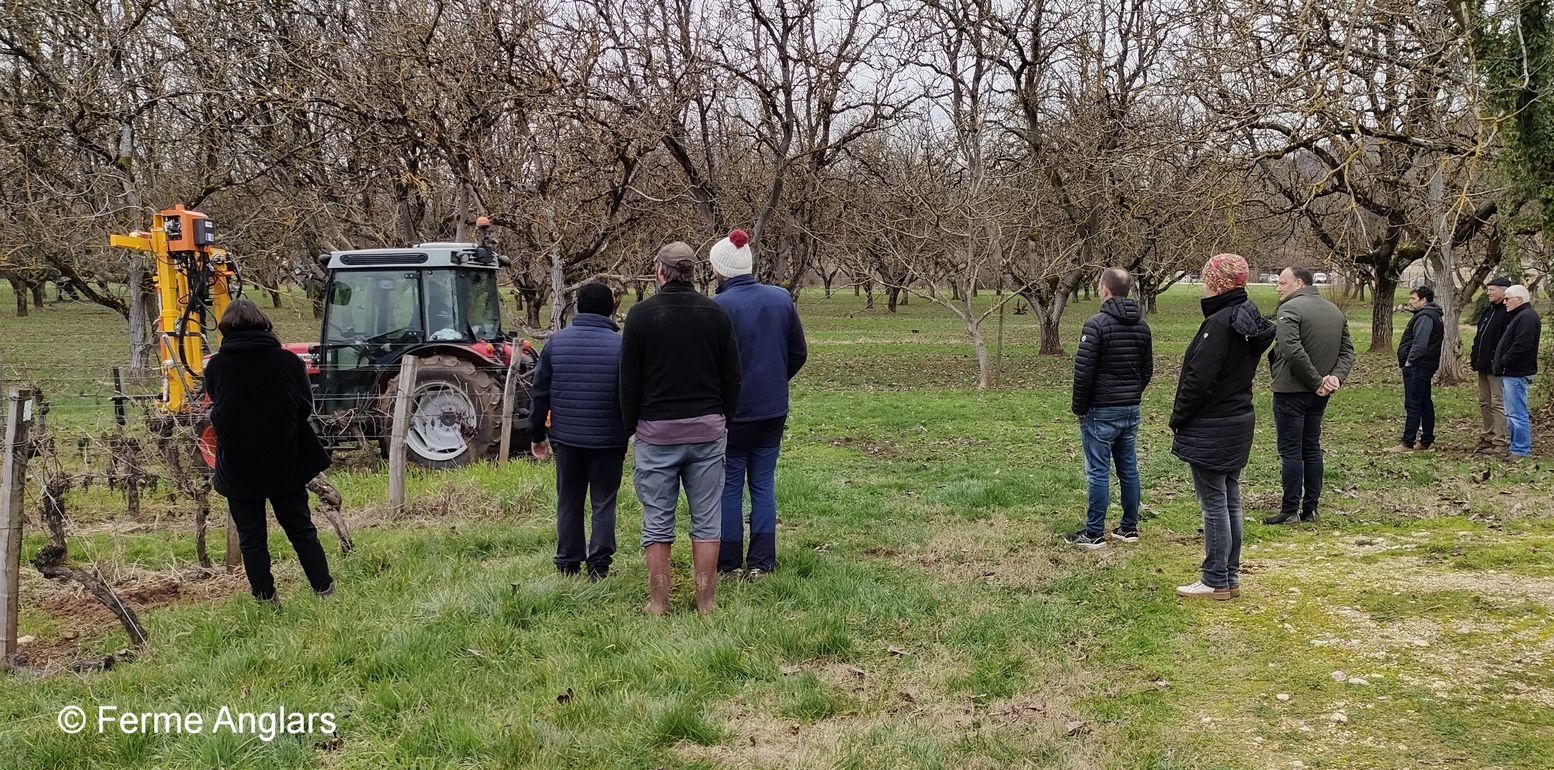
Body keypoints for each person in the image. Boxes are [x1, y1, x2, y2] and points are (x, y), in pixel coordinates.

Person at [620, 241, 742, 615]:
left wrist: (631, 427)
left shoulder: (640, 315)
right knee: (707, 520)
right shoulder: (716, 313)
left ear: (660, 272)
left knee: (657, 520)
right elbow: (732, 376)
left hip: (656, 432)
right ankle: (706, 602)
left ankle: (658, 603)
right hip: (707, 430)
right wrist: (724, 418)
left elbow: (628, 380)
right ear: (694, 273)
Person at [203, 299, 334, 603]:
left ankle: (265, 598)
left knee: (251, 538)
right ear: (263, 323)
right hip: (284, 459)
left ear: (225, 329)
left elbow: (217, 405)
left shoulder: (217, 366)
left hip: (238, 464)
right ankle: (324, 589)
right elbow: (304, 406)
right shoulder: (287, 361)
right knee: (301, 529)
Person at [1171, 254, 1275, 601]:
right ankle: (1228, 577)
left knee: (1215, 502)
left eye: (1207, 278)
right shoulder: (1245, 318)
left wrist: (1179, 417)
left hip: (1213, 423)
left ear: (1217, 283)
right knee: (1229, 499)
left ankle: (1215, 578)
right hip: (1237, 419)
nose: (1204, 284)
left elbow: (1199, 379)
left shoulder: (1219, 323)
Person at [708, 229, 808, 580]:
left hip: (734, 412)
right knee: (763, 483)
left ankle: (729, 563)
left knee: (730, 485)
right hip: (772, 408)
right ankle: (762, 562)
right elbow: (798, 353)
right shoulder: (781, 299)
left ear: (720, 269)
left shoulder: (718, 307)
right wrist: (776, 379)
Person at [529, 282, 629, 580]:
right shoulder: (621, 346)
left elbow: (540, 393)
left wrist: (536, 435)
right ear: (611, 309)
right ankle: (599, 564)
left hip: (567, 439)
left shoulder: (556, 344)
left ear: (578, 308)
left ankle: (568, 562)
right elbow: (630, 395)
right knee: (604, 501)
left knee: (569, 500)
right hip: (609, 439)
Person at [1065, 267, 1153, 548]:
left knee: (1098, 471)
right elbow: (1147, 370)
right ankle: (1129, 527)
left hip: (1100, 410)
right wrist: (1132, 394)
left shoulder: (1096, 325)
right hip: (1130, 409)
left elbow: (1083, 373)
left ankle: (1093, 532)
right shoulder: (1142, 326)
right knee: (1128, 468)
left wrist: (1080, 407)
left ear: (1104, 289)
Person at [1264, 267, 1355, 525]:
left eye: (1282, 283)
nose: (1278, 288)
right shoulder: (1334, 311)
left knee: (1291, 451)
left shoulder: (1290, 309)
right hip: (1321, 394)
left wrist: (1316, 381)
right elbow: (1347, 352)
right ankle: (1311, 508)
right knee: (1311, 447)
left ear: (1299, 283)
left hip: (1291, 391)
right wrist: (1334, 378)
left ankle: (1290, 509)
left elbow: (1291, 349)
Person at [1387, 286, 1444, 452]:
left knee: (1413, 404)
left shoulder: (1425, 316)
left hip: (1418, 366)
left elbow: (1420, 344)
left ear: (1423, 300)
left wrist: (1409, 362)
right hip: (1424, 365)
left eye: (1413, 299)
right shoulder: (1431, 314)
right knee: (1424, 402)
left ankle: (1407, 442)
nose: (1410, 302)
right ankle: (1426, 439)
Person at [1494, 284, 1542, 462]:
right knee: (1511, 413)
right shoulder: (1519, 316)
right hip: (1510, 372)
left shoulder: (1527, 317)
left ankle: (1520, 449)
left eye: (1508, 299)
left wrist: (1504, 361)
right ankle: (1516, 446)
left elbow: (1522, 345)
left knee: (1517, 413)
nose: (1504, 302)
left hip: (1516, 372)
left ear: (1519, 299)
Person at [1469, 277, 1513, 454]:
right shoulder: (1489, 310)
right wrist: (1475, 356)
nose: (1488, 293)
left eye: (1492, 290)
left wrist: (1500, 361)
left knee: (1498, 403)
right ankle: (1488, 435)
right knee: (1484, 402)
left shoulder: (1508, 312)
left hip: (1497, 367)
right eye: (1488, 289)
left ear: (1504, 291)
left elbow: (1507, 341)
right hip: (1483, 365)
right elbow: (1480, 336)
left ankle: (1501, 441)